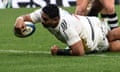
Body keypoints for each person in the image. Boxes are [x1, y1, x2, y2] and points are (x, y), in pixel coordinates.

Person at [14, 4, 120, 56]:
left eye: (45, 19)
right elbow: (27, 17)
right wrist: (19, 19)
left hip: (93, 38)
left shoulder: (66, 27)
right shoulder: (45, 13)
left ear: (56, 20)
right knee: (111, 35)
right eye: (42, 17)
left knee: (111, 46)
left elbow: (79, 52)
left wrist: (59, 51)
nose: (42, 21)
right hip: (93, 22)